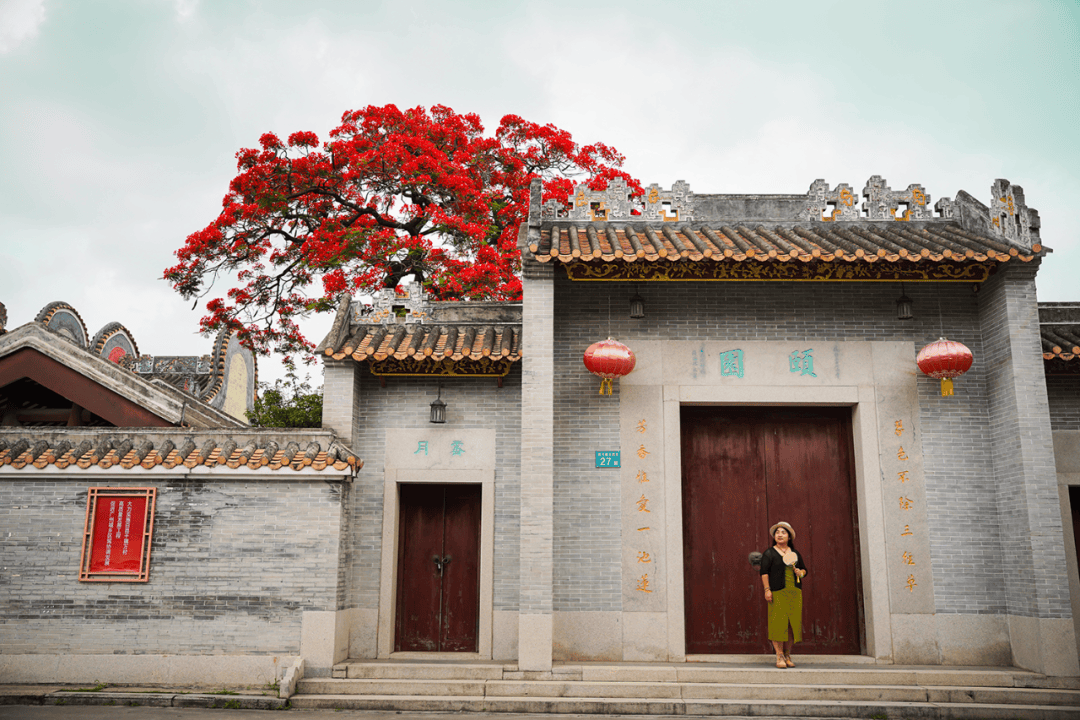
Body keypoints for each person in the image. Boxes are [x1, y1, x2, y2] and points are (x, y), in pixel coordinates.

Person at [759, 521, 807, 668]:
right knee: (778, 624)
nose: (779, 535)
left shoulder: (795, 553)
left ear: (789, 537)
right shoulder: (769, 553)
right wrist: (767, 590)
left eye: (783, 532)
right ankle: (779, 656)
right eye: (777, 532)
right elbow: (764, 572)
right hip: (778, 592)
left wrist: (801, 573)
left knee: (792, 624)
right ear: (774, 536)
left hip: (794, 592)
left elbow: (804, 570)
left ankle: (787, 654)